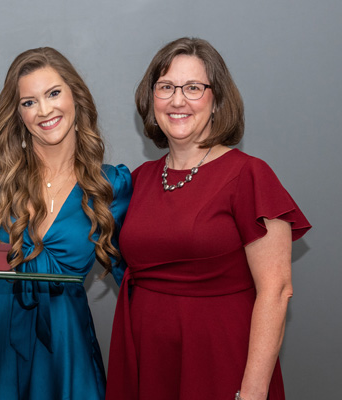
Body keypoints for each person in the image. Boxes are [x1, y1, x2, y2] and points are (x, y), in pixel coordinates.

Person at [105, 37, 312, 400]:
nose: (178, 100)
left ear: (216, 100)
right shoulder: (139, 179)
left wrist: (252, 392)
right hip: (148, 361)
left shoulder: (250, 175)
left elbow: (276, 290)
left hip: (220, 363)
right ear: (151, 99)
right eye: (166, 87)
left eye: (193, 88)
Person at [0, 47, 131, 400]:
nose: (44, 110)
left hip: (67, 350)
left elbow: (136, 282)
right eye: (29, 102)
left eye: (53, 93)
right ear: (18, 113)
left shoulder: (111, 186)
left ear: (75, 96)